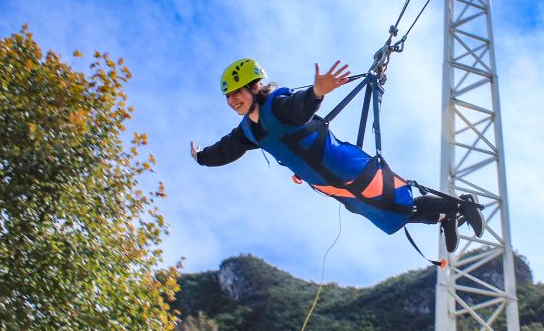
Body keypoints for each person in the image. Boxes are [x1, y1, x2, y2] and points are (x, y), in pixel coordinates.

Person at [191, 58, 484, 252]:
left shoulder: (277, 105)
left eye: (236, 93)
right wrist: (202, 157)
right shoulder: (248, 131)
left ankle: (462, 205)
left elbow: (300, 106)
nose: (232, 101)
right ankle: (445, 216)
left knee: (395, 200)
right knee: (386, 214)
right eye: (228, 97)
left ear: (254, 87)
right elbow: (226, 149)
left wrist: (317, 92)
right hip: (327, 184)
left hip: (346, 167)